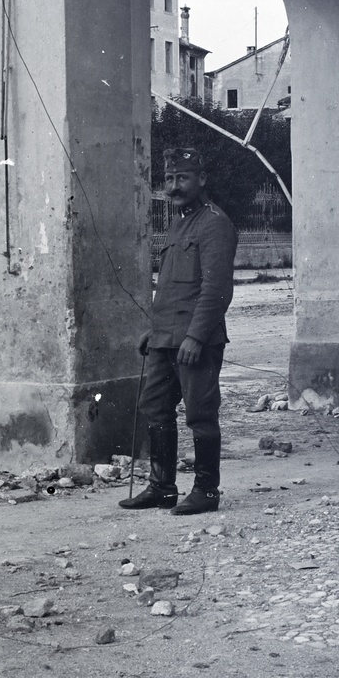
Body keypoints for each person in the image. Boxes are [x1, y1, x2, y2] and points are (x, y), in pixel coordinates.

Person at [120, 146, 237, 515]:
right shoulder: (178, 222)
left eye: (182, 178)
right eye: (169, 179)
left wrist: (196, 336)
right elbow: (171, 286)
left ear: (202, 180)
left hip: (195, 341)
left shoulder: (215, 223)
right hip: (165, 337)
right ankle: (162, 487)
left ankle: (206, 491)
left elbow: (216, 290)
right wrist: (153, 331)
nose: (173, 187)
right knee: (154, 406)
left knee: (200, 413)